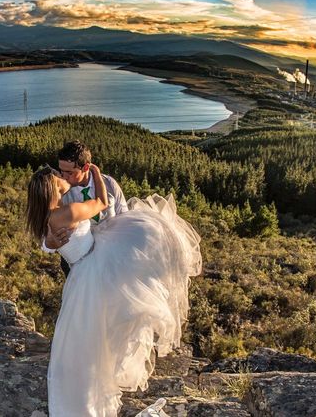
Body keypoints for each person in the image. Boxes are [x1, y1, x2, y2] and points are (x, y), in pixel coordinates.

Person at [26, 164, 202, 417]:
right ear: (52, 187)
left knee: (84, 341)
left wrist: (49, 244)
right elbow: (101, 202)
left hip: (80, 277)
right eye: (58, 176)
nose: (63, 178)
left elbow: (48, 243)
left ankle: (79, 403)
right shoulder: (69, 211)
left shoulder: (47, 215)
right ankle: (88, 403)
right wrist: (96, 173)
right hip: (92, 270)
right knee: (100, 336)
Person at [42, 140, 128, 277]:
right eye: (61, 171)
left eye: (69, 173)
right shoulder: (59, 192)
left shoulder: (108, 184)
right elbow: (45, 233)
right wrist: (48, 244)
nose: (63, 177)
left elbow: (125, 217)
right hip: (78, 267)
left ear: (86, 167)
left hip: (112, 258)